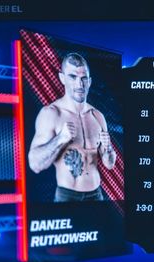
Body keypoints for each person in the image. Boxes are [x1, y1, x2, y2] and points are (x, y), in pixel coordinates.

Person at [28, 53, 116, 202]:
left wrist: (107, 148)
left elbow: (109, 164)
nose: (79, 84)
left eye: (83, 78)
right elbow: (35, 164)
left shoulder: (98, 116)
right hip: (67, 196)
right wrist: (60, 138)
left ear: (89, 81)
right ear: (62, 78)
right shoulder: (52, 114)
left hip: (96, 195)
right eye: (73, 77)